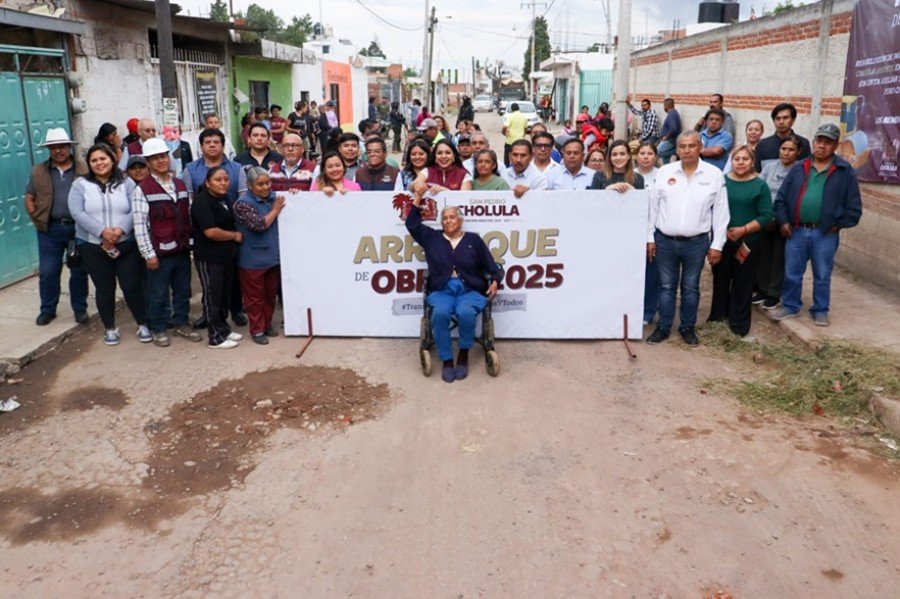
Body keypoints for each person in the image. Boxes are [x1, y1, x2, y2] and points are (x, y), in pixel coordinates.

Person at [772, 124, 862, 327]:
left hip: (825, 233)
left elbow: (854, 208)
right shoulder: (799, 167)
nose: (822, 146)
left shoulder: (844, 171)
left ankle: (820, 310)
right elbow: (781, 199)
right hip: (796, 230)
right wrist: (784, 221)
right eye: (819, 141)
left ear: (836, 146)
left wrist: (837, 225)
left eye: (827, 142)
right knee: (792, 272)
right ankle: (791, 305)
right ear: (813, 143)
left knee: (822, 274)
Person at [646, 131, 729, 347]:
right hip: (664, 240)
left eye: (692, 146)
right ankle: (663, 326)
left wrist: (717, 245)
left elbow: (721, 213)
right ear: (677, 149)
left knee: (691, 287)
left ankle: (687, 327)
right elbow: (653, 207)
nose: (687, 150)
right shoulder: (665, 172)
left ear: (700, 147)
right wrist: (650, 237)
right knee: (666, 286)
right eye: (682, 146)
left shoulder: (713, 174)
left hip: (697, 243)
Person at [405, 200, 502, 383]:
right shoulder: (432, 237)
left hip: (470, 289)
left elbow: (491, 265)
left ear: (460, 220)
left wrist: (496, 281)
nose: (448, 221)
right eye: (445, 218)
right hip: (442, 289)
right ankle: (447, 360)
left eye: (452, 217)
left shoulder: (473, 240)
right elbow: (412, 224)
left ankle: (463, 354)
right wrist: (417, 198)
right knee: (440, 314)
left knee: (466, 313)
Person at [68, 143, 150, 345]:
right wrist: (102, 231)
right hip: (92, 246)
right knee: (104, 288)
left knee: (131, 285)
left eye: (103, 158)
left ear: (112, 160)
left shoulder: (127, 182)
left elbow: (136, 208)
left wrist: (120, 230)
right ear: (89, 164)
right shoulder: (80, 184)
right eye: (94, 160)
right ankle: (110, 328)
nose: (99, 163)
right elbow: (77, 212)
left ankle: (143, 324)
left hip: (125, 244)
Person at [132, 138, 202, 347]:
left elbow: (188, 216)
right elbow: (140, 224)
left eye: (163, 156)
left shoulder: (180, 184)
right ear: (148, 162)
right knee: (158, 293)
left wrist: (191, 244)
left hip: (181, 249)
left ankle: (181, 323)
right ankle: (159, 328)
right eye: (154, 158)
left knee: (183, 290)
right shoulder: (142, 189)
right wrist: (148, 254)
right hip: (159, 253)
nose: (160, 161)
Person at [24, 128, 89, 326]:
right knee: (48, 272)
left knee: (79, 270)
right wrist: (37, 218)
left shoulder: (84, 169)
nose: (58, 150)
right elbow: (29, 197)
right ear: (49, 149)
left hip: (78, 228)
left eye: (62, 146)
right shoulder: (38, 171)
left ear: (69, 147)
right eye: (54, 147)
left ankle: (80, 308)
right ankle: (47, 310)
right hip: (50, 230)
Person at [707, 145, 773, 337]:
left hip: (748, 242)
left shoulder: (760, 185)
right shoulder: (722, 182)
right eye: (737, 159)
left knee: (743, 282)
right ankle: (718, 317)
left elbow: (766, 215)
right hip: (722, 241)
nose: (741, 162)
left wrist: (743, 229)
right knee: (720, 279)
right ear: (732, 161)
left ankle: (739, 325)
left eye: (745, 159)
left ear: (752, 162)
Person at [191, 166, 244, 349]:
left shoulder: (225, 198)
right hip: (209, 257)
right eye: (218, 180)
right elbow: (211, 232)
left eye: (226, 179)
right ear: (207, 183)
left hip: (226, 256)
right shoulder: (202, 202)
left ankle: (224, 329)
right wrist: (234, 236)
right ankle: (215, 337)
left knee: (224, 295)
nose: (223, 183)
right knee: (213, 297)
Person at [234, 167, 285, 344]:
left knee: (270, 295)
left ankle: (267, 324)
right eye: (260, 184)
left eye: (268, 183)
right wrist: (275, 210)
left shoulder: (274, 197)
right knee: (255, 298)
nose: (265, 187)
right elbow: (259, 225)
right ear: (249, 185)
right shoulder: (243, 204)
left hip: (273, 257)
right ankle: (257, 330)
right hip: (252, 260)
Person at [755, 135, 802, 309]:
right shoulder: (769, 167)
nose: (786, 153)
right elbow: (760, 188)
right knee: (764, 256)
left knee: (779, 258)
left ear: (798, 152)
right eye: (783, 149)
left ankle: (774, 293)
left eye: (791, 150)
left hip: (786, 221)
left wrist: (782, 219)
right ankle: (762, 289)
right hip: (766, 218)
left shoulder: (800, 170)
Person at [754, 102, 812, 172]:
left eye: (785, 118)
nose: (781, 122)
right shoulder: (762, 145)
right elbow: (757, 172)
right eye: (778, 118)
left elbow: (806, 171)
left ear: (793, 120)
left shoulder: (803, 143)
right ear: (774, 121)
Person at [657, 98, 681, 164]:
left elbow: (673, 128)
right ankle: (666, 168)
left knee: (656, 152)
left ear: (666, 106)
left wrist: (666, 137)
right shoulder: (674, 113)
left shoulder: (671, 115)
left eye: (664, 106)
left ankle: (674, 152)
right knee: (665, 158)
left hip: (670, 140)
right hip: (671, 140)